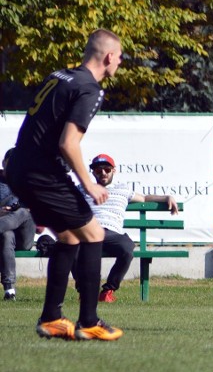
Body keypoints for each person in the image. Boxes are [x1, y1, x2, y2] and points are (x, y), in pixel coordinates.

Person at [6, 28, 124, 341]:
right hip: (42, 173)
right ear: (109, 57)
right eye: (120, 57)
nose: (121, 63)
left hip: (18, 167)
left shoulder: (59, 76)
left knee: (70, 237)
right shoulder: (90, 89)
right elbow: (68, 143)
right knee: (94, 233)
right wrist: (90, 184)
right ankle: (89, 322)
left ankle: (51, 319)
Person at [71, 153, 179, 303]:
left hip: (112, 233)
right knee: (72, 246)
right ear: (93, 172)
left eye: (107, 169)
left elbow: (145, 198)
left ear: (114, 170)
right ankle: (84, 290)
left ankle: (108, 290)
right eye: (98, 170)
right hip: (89, 231)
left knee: (127, 249)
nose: (103, 173)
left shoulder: (123, 189)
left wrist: (166, 197)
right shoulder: (83, 189)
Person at [0, 148, 38, 301]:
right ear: (4, 163)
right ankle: (10, 290)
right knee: (7, 236)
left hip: (24, 234)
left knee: (24, 212)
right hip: (4, 232)